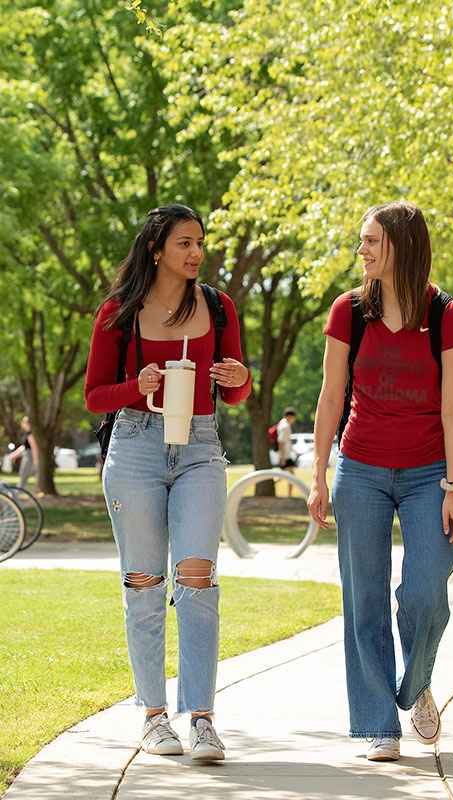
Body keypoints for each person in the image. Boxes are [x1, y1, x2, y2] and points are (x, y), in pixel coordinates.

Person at [84, 204, 251, 761]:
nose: (196, 252)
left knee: (197, 578)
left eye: (200, 242)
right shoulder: (119, 312)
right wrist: (138, 384)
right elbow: (93, 398)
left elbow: (234, 392)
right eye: (184, 243)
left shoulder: (219, 307)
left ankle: (201, 718)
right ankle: (154, 717)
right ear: (157, 249)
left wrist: (240, 377)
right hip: (134, 449)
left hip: (200, 447)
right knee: (144, 584)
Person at [307, 201, 453, 762]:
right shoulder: (349, 310)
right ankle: (380, 724)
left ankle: (415, 681)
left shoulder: (447, 315)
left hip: (429, 474)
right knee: (364, 599)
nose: (362, 251)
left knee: (426, 591)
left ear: (400, 243)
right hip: (361, 469)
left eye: (371, 240)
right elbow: (331, 397)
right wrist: (319, 474)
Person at [9, 416, 38, 490]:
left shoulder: (30, 434)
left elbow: (33, 447)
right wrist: (14, 455)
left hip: (30, 456)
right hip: (27, 454)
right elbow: (24, 447)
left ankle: (18, 492)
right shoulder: (27, 433)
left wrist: (35, 460)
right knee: (24, 474)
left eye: (24, 422)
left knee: (24, 475)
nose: (22, 424)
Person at [277, 406, 297, 495]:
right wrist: (282, 457)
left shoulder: (284, 425)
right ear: (289, 416)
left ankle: (289, 494)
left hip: (286, 454)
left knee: (290, 475)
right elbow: (280, 442)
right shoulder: (284, 426)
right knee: (288, 475)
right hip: (285, 455)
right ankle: (289, 494)